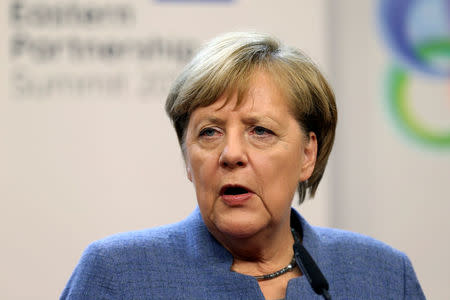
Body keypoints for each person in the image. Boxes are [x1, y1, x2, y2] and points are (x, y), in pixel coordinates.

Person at [61, 32, 425, 299]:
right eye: (209, 132)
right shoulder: (118, 275)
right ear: (188, 158)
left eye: (260, 131)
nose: (231, 153)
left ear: (307, 155)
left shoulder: (386, 277)